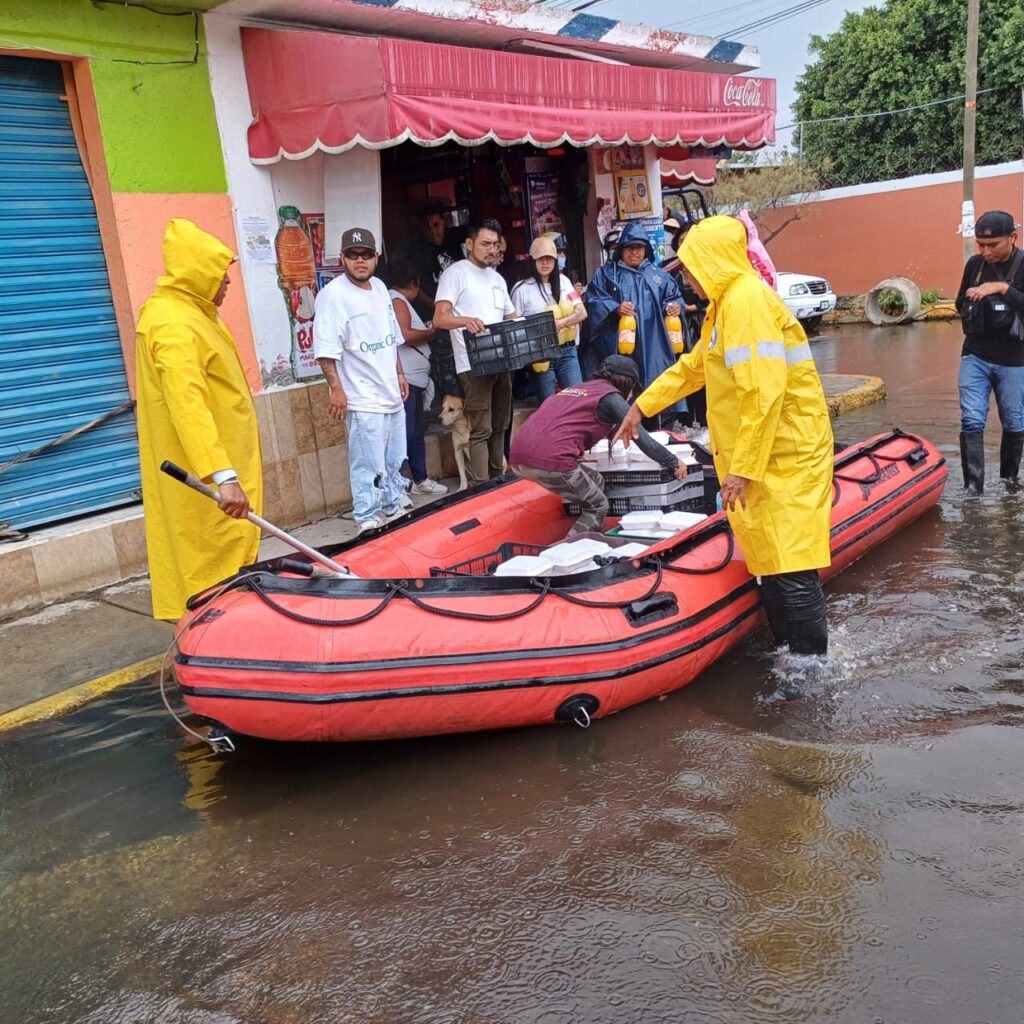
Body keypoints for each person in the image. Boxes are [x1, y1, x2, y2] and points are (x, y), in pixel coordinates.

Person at [613, 216, 834, 656]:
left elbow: (763, 396)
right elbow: (695, 367)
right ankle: (788, 653)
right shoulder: (725, 307)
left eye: (691, 269)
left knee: (792, 564)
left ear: (712, 263)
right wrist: (641, 405)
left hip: (785, 454)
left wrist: (744, 469)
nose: (688, 280)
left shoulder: (746, 303)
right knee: (769, 560)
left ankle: (812, 668)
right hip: (762, 455)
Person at [135, 218, 262, 621]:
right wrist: (222, 476)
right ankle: (211, 644)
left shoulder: (192, 312)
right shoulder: (174, 323)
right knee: (207, 560)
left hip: (216, 467)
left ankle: (221, 630)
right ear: (197, 275)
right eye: (219, 276)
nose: (226, 284)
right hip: (203, 478)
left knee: (219, 557)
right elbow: (186, 402)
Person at [510, 356, 685, 537]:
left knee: (596, 480)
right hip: (553, 460)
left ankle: (595, 537)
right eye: (632, 390)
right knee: (598, 506)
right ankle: (570, 552)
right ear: (626, 385)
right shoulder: (611, 398)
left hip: (517, 456)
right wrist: (673, 461)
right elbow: (642, 438)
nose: (631, 396)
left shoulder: (579, 389)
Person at [313, 228, 410, 535]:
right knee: (367, 463)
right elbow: (326, 348)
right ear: (342, 258)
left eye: (366, 254)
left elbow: (391, 338)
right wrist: (336, 388)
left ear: (376, 257)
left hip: (390, 392)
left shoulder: (380, 288)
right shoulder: (333, 296)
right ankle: (366, 515)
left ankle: (392, 507)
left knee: (394, 458)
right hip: (362, 396)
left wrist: (399, 373)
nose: (359, 261)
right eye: (352, 255)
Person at [433, 219, 518, 485]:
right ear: (469, 244)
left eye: (495, 244)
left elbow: (511, 317)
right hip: (473, 364)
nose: (491, 249)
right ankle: (481, 488)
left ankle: (498, 479)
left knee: (500, 426)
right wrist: (465, 321)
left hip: (502, 361)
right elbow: (439, 319)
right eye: (485, 243)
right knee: (480, 428)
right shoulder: (455, 273)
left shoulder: (497, 278)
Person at [585, 221, 685, 427]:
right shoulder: (606, 274)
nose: (634, 252)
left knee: (658, 392)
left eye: (638, 247)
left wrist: (675, 306)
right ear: (621, 249)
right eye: (629, 247)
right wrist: (614, 307)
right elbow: (593, 300)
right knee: (623, 396)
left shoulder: (659, 276)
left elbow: (674, 298)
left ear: (646, 249)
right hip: (621, 349)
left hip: (655, 347)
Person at [955, 210, 1024, 494]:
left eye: (992, 245)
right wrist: (974, 307)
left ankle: (1010, 482)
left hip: (1014, 361)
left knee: (1014, 420)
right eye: (980, 245)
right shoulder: (975, 265)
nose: (985, 251)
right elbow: (960, 302)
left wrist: (1001, 289)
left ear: (1012, 238)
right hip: (975, 355)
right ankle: (973, 488)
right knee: (971, 418)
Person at [387, 260, 447, 496]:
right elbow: (404, 335)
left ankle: (418, 479)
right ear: (415, 283)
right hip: (407, 380)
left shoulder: (395, 300)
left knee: (414, 431)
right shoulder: (398, 301)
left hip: (414, 379)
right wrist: (431, 332)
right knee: (407, 432)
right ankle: (404, 484)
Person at [511, 237, 588, 401]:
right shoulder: (522, 290)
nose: (545, 262)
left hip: (567, 350)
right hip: (541, 354)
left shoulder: (564, 282)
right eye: (540, 258)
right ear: (532, 260)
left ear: (555, 260)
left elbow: (581, 312)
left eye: (549, 258)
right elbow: (515, 327)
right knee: (548, 406)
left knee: (577, 401)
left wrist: (560, 323)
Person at [406, 208, 454, 305]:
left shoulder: (453, 241)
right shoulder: (416, 251)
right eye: (428, 226)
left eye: (436, 225)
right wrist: (435, 306)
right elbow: (414, 286)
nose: (432, 231)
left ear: (443, 224)